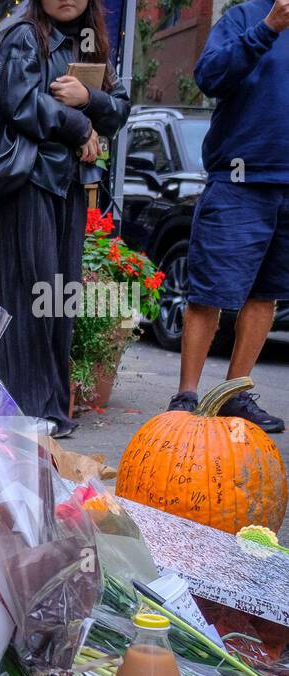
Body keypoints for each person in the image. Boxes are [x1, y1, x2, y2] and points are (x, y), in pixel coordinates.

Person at [0, 0, 129, 438]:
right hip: (29, 181)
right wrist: (79, 125)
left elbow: (120, 108)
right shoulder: (25, 37)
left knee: (60, 297)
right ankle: (26, 409)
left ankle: (51, 407)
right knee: (31, 293)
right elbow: (19, 103)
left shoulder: (92, 43)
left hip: (69, 185)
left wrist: (91, 99)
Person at [166, 0, 289, 433]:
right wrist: (269, 28)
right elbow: (209, 76)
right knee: (209, 292)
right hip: (238, 182)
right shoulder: (245, 15)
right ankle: (186, 396)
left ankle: (234, 397)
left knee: (265, 295)